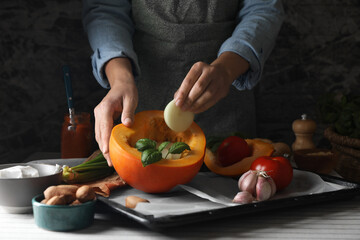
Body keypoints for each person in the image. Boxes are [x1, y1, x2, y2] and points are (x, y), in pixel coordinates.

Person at [83, 0, 284, 166]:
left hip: (228, 121)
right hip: (140, 112)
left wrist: (226, 69)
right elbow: (105, 9)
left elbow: (263, 7)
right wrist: (120, 79)